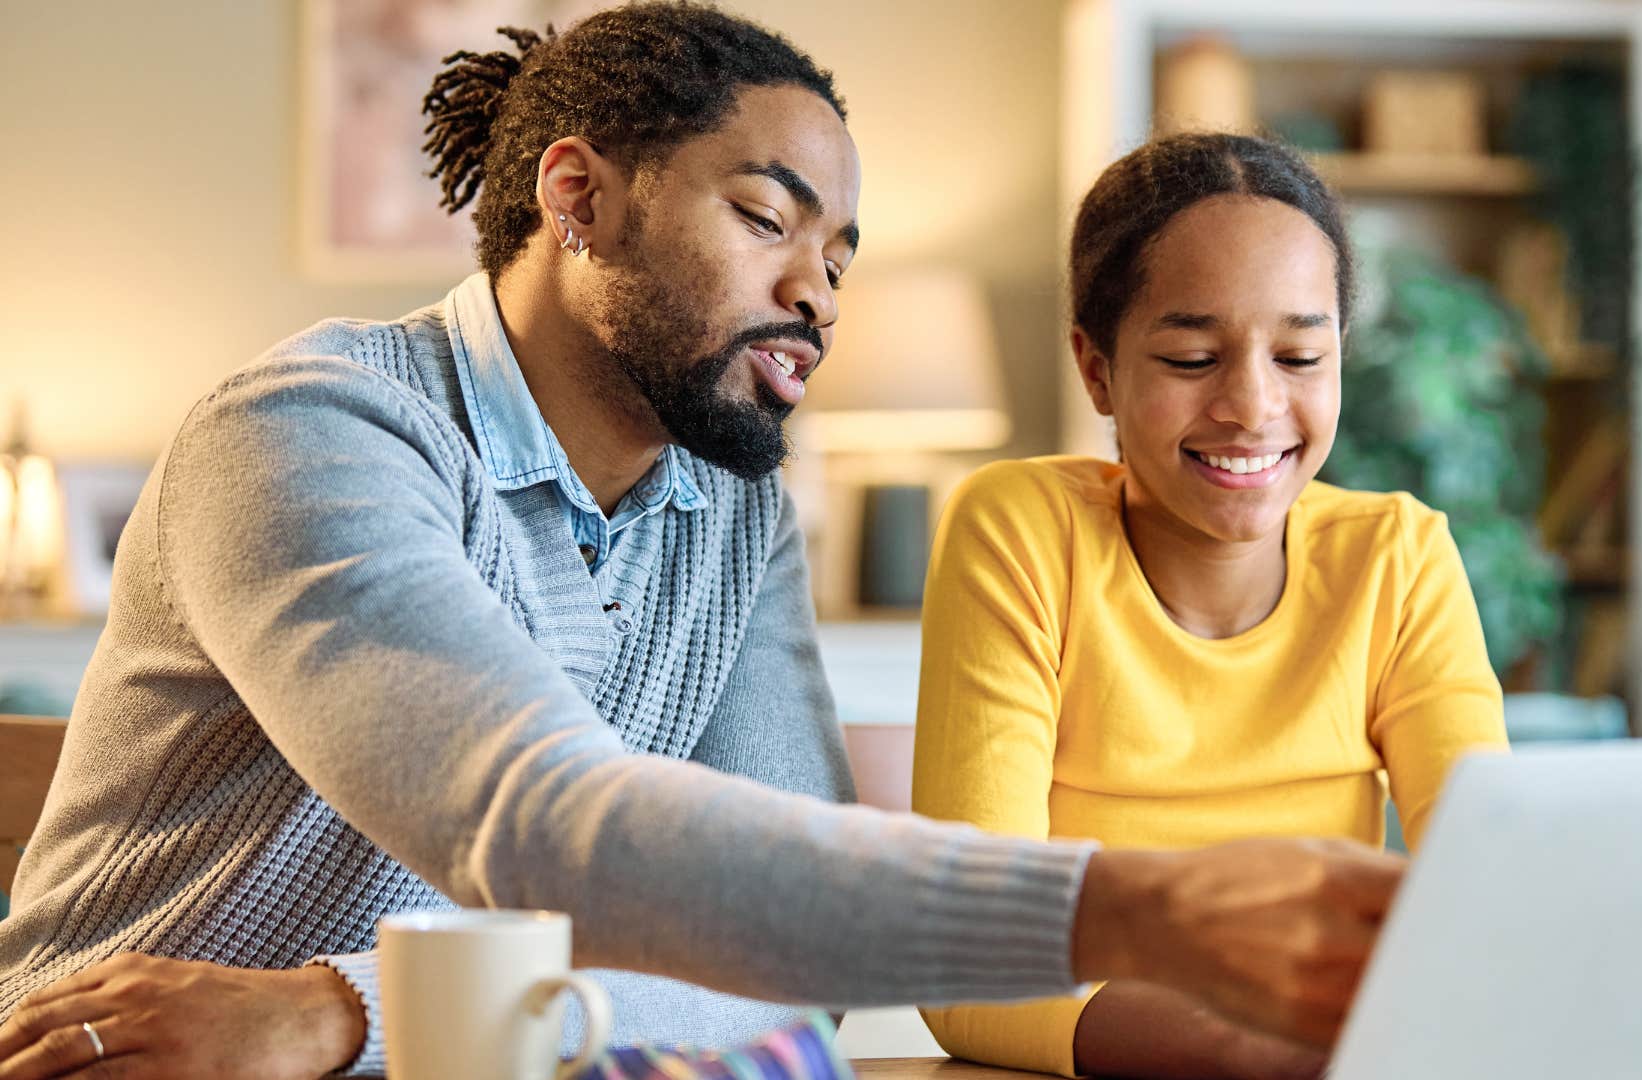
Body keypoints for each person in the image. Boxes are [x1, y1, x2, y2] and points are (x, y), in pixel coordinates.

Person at [0, 8, 1404, 1078]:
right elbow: (548, 829)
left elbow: (784, 969)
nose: (819, 291)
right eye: (765, 218)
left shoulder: (730, 510)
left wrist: (345, 1010)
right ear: (577, 197)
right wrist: (1145, 910)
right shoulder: (317, 435)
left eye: (840, 253)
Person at [912, 132, 1511, 1080]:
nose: (1253, 405)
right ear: (1098, 369)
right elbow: (971, 961)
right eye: (1194, 357)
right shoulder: (1021, 533)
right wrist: (1253, 1048)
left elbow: (1494, 894)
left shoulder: (1398, 558)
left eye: (1301, 354)